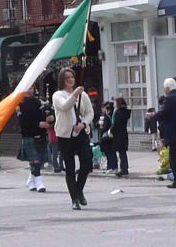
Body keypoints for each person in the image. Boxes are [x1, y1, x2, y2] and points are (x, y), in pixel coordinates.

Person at [52, 67, 94, 210]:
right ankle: (74, 198)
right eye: (67, 78)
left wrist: (83, 124)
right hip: (65, 135)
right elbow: (65, 106)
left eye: (72, 77)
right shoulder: (58, 95)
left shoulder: (84, 96)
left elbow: (89, 113)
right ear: (62, 80)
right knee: (70, 167)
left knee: (86, 163)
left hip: (80, 133)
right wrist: (75, 93)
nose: (70, 80)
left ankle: (79, 189)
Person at [17, 85, 48, 192]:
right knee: (35, 160)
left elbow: (44, 116)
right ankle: (39, 182)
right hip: (28, 135)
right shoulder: (20, 104)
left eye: (32, 88)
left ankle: (31, 180)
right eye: (28, 88)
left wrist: (49, 121)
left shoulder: (39, 103)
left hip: (40, 134)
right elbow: (23, 122)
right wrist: (38, 124)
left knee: (37, 161)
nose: (30, 90)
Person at [111, 98, 131, 177]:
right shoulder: (125, 112)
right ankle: (124, 168)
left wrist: (111, 130)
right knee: (123, 152)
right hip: (123, 133)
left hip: (118, 134)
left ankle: (123, 168)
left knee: (121, 152)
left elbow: (116, 124)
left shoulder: (119, 113)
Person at [99, 102, 117, 173]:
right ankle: (112, 167)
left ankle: (111, 167)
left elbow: (105, 127)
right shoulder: (111, 116)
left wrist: (101, 128)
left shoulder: (107, 117)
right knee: (111, 153)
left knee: (109, 153)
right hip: (110, 137)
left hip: (107, 138)